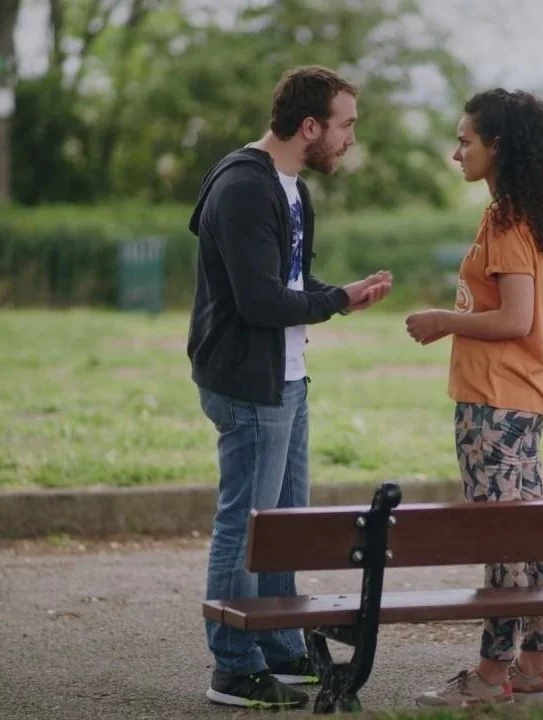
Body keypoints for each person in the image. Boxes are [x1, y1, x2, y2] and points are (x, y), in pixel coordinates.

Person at [186, 65, 393, 710]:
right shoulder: (244, 188)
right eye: (345, 125)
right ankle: (233, 666)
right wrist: (336, 301)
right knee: (246, 526)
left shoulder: (292, 189)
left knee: (283, 525)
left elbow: (289, 282)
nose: (350, 139)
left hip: (287, 378)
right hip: (250, 383)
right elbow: (260, 301)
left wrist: (341, 293)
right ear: (309, 126)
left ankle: (277, 644)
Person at [404, 88, 543, 708]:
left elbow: (514, 320)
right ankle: (534, 664)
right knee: (532, 531)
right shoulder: (527, 215)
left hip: (494, 403)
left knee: (503, 538)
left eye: (465, 141)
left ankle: (491, 675)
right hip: (523, 396)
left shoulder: (506, 221)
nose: (457, 154)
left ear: (497, 146)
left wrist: (442, 321)